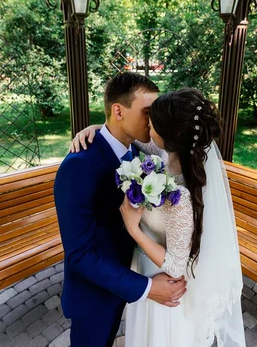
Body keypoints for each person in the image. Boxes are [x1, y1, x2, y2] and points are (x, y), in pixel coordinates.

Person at [71, 86, 246, 346]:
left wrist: (134, 229)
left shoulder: (181, 198)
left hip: (163, 282)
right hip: (146, 271)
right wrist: (99, 127)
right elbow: (132, 136)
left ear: (167, 136)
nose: (146, 129)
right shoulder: (167, 154)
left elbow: (176, 264)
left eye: (151, 125)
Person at [53, 73, 187, 347]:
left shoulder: (140, 152)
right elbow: (79, 254)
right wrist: (148, 288)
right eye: (148, 112)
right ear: (118, 110)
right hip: (95, 294)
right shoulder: (78, 165)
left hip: (131, 276)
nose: (153, 122)